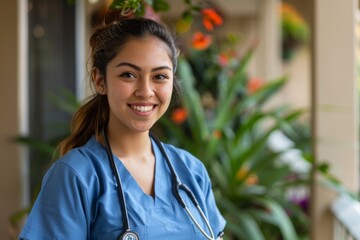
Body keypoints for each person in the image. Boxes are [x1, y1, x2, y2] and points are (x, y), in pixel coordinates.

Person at [19, 12, 226, 240]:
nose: (145, 91)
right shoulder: (77, 175)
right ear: (100, 81)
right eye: (128, 75)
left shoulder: (191, 171)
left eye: (159, 76)